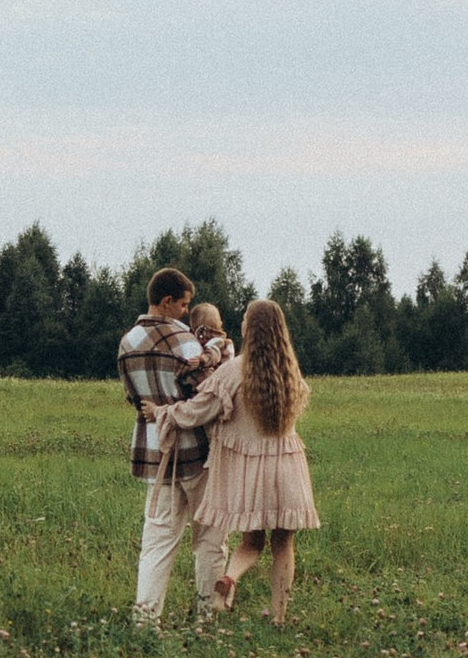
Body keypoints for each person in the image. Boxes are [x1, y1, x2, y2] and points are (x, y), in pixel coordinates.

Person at [177, 295, 319, 623]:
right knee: (283, 544)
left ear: (248, 329)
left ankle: (230, 579)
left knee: (251, 541)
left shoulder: (233, 370)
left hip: (251, 472)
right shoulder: (290, 372)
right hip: (287, 468)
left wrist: (165, 413)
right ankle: (279, 617)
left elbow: (199, 410)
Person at [118, 266, 227, 630]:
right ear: (166, 302)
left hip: (155, 453)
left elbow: (133, 398)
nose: (186, 312)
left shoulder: (127, 342)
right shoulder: (184, 342)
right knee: (210, 537)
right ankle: (208, 616)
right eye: (183, 304)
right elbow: (209, 395)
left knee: (158, 541)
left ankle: (145, 620)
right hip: (196, 452)